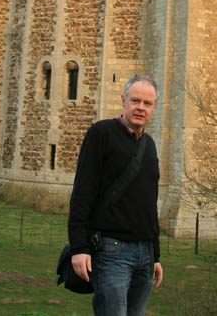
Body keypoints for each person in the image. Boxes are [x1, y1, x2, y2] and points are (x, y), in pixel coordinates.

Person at [68, 75, 163, 316]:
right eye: (136, 100)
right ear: (124, 100)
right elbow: (82, 192)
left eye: (147, 103)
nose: (141, 107)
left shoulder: (149, 145)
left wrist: (156, 255)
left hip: (145, 254)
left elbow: (149, 204)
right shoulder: (102, 133)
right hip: (112, 251)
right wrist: (79, 247)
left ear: (153, 107)